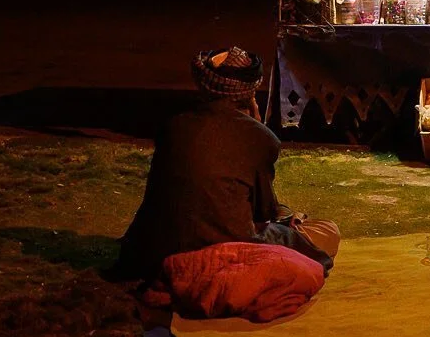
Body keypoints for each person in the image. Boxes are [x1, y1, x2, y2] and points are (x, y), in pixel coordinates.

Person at [115, 47, 340, 281]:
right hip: (228, 251)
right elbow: (264, 212)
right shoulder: (260, 137)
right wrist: (258, 126)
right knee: (327, 232)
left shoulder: (173, 126)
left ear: (204, 89)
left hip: (152, 252)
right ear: (251, 95)